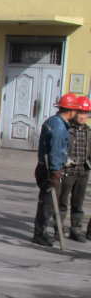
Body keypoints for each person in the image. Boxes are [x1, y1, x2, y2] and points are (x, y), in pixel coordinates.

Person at [33, 93, 81, 246]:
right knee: (47, 203)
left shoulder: (53, 121)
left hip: (45, 166)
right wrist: (55, 172)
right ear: (71, 111)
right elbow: (55, 151)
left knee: (45, 202)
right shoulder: (59, 127)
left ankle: (40, 232)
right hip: (50, 170)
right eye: (76, 110)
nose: (77, 114)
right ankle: (40, 234)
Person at [59, 95, 91, 243]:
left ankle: (76, 230)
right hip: (68, 172)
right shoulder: (66, 128)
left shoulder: (88, 131)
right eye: (80, 112)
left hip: (83, 172)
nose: (83, 116)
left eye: (86, 113)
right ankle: (58, 229)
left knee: (78, 203)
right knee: (62, 202)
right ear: (74, 112)